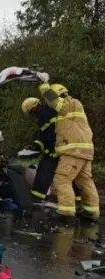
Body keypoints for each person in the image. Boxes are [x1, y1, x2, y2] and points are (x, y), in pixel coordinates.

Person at [37, 81, 99, 221]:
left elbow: (53, 101)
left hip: (73, 151)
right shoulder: (75, 107)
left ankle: (66, 212)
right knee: (84, 180)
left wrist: (43, 84)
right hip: (85, 151)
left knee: (62, 179)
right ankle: (92, 211)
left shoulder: (68, 104)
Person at [21, 96, 81, 204]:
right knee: (68, 174)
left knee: (44, 170)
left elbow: (48, 135)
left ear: (34, 108)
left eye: (31, 112)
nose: (32, 115)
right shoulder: (51, 111)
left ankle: (37, 196)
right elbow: (43, 135)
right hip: (67, 147)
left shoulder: (43, 116)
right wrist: (36, 145)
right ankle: (78, 199)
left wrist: (45, 149)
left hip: (56, 148)